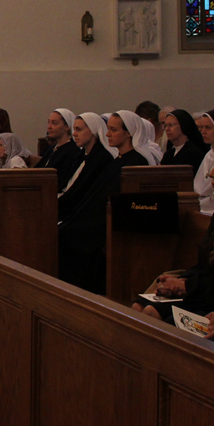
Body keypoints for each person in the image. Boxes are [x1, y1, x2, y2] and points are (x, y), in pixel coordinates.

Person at [58, 110, 150, 293]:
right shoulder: (119, 159)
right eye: (107, 129)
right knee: (63, 231)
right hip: (97, 218)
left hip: (109, 224)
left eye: (113, 130)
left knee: (67, 236)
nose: (107, 134)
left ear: (129, 132)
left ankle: (78, 294)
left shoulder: (136, 163)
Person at [132, 163, 214, 323]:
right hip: (204, 289)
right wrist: (182, 281)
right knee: (139, 306)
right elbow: (204, 266)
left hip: (211, 300)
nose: (212, 173)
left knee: (155, 314)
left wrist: (186, 286)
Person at [41, 109, 82, 191]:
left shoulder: (72, 150)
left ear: (67, 126)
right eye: (49, 122)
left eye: (54, 123)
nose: (49, 127)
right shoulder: (52, 148)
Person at [161, 109, 206, 176]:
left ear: (183, 125)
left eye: (171, 125)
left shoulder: (194, 153)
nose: (167, 129)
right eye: (166, 126)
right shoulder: (169, 154)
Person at [195, 109, 214, 213]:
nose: (203, 131)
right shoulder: (209, 155)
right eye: (202, 127)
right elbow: (198, 188)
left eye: (208, 127)